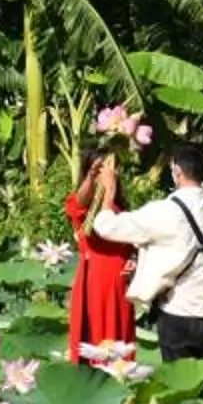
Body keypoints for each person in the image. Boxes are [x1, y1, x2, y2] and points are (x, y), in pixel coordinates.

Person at [85, 143, 203, 376]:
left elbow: (106, 227)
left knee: (180, 392)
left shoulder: (164, 212)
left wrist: (109, 195)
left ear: (177, 172)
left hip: (177, 314)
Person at [63, 150, 136, 366]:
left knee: (119, 348)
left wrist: (135, 262)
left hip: (119, 284)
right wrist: (93, 178)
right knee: (94, 343)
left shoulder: (121, 211)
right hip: (93, 281)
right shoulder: (87, 209)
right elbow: (78, 203)